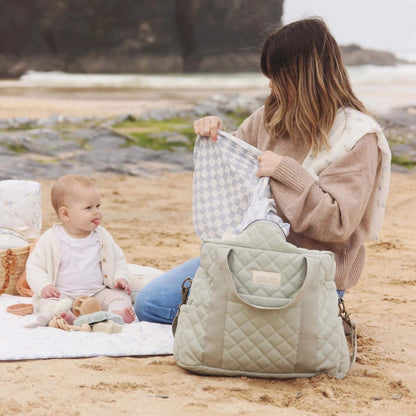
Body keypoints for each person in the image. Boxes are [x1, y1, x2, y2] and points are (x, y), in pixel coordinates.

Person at [135, 17, 391, 324]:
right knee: (149, 304)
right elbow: (237, 173)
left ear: (301, 75)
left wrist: (285, 171)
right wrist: (216, 135)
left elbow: (336, 225)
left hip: (311, 274)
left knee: (253, 327)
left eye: (276, 76)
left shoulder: (357, 137)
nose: (269, 85)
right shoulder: (271, 116)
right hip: (247, 257)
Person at [26, 174, 136, 324]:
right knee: (48, 304)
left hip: (97, 292)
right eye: (88, 208)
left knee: (120, 296)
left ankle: (116, 314)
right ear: (65, 214)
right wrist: (44, 285)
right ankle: (66, 317)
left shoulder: (101, 236)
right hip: (63, 294)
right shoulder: (52, 238)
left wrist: (120, 277)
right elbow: (34, 266)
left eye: (98, 206)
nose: (97, 212)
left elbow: (118, 259)